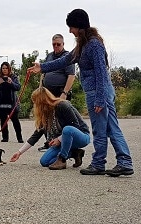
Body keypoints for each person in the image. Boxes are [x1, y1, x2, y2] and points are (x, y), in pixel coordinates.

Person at [27, 9, 134, 176]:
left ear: (79, 26)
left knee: (100, 130)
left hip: (99, 91)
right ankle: (125, 162)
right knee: (112, 128)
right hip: (99, 91)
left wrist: (99, 99)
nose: (70, 31)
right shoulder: (83, 45)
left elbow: (101, 71)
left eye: (71, 27)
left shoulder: (94, 44)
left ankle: (99, 163)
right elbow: (65, 60)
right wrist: (42, 67)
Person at [10, 87, 90, 169]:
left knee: (67, 129)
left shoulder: (62, 105)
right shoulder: (45, 115)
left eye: (36, 103)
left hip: (81, 136)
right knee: (45, 161)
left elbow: (75, 126)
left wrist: (59, 139)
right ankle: (75, 153)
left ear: (42, 101)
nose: (35, 106)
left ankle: (62, 160)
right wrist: (19, 152)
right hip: (64, 141)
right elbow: (36, 135)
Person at [38, 34, 76, 152]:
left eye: (58, 44)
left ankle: (63, 143)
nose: (56, 46)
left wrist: (64, 93)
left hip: (60, 92)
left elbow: (71, 76)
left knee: (61, 119)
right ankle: (49, 142)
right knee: (46, 117)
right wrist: (40, 89)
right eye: (54, 44)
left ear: (63, 44)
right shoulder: (49, 56)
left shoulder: (68, 56)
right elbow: (43, 72)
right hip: (47, 92)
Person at [0, 62, 23, 143]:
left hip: (12, 103)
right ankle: (5, 137)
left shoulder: (14, 77)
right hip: (1, 102)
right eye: (3, 68)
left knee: (15, 120)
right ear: (1, 69)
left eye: (6, 68)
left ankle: (19, 137)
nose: (4, 70)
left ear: (9, 69)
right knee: (3, 121)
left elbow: (18, 87)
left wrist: (11, 82)